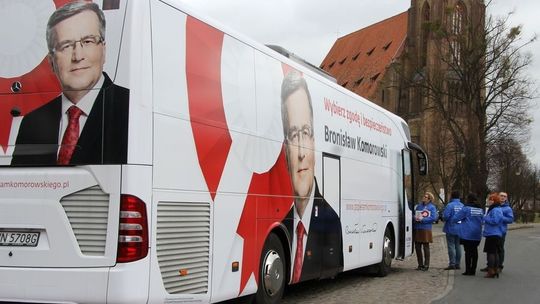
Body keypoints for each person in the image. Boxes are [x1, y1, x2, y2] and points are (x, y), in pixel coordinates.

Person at [11, 1, 129, 166]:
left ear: (103, 50)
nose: (78, 56)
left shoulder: (129, 109)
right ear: (51, 62)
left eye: (87, 41)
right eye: (65, 46)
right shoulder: (32, 122)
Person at [280, 70, 343, 283]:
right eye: (293, 134)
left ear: (314, 142)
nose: (300, 153)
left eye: (305, 133)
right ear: (285, 147)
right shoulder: (283, 223)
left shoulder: (332, 221)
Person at [453, 193, 483, 275]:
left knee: (468, 252)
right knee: (474, 251)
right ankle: (473, 269)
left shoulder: (466, 209)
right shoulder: (480, 209)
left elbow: (455, 218)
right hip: (477, 233)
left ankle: (468, 270)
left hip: (467, 233)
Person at [413, 192, 439, 271]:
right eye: (423, 196)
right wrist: (415, 218)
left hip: (426, 228)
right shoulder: (419, 206)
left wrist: (423, 219)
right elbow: (415, 214)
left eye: (426, 197)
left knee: (425, 247)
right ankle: (420, 264)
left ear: (429, 199)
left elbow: (433, 218)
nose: (423, 198)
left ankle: (426, 264)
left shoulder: (432, 207)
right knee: (417, 247)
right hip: (417, 228)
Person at [483, 193, 505, 278]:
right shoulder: (495, 209)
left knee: (491, 253)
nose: (488, 201)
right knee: (494, 252)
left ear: (494, 200)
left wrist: (485, 218)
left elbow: (495, 221)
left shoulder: (495, 209)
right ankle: (494, 269)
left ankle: (491, 270)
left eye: (490, 199)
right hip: (494, 233)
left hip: (493, 233)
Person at [442, 190, 464, 270]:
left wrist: (444, 218)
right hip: (460, 228)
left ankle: (452, 263)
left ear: (452, 196)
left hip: (451, 227)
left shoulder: (450, 205)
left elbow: (446, 216)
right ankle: (458, 263)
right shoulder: (462, 205)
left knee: (451, 245)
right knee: (458, 246)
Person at [498, 192, 514, 271]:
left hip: (501, 231)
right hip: (492, 231)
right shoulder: (494, 206)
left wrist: (501, 218)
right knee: (491, 249)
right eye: (501, 196)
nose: (503, 197)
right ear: (498, 196)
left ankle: (499, 265)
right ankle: (490, 265)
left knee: (500, 248)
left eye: (504, 196)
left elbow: (510, 219)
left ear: (506, 198)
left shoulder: (508, 208)